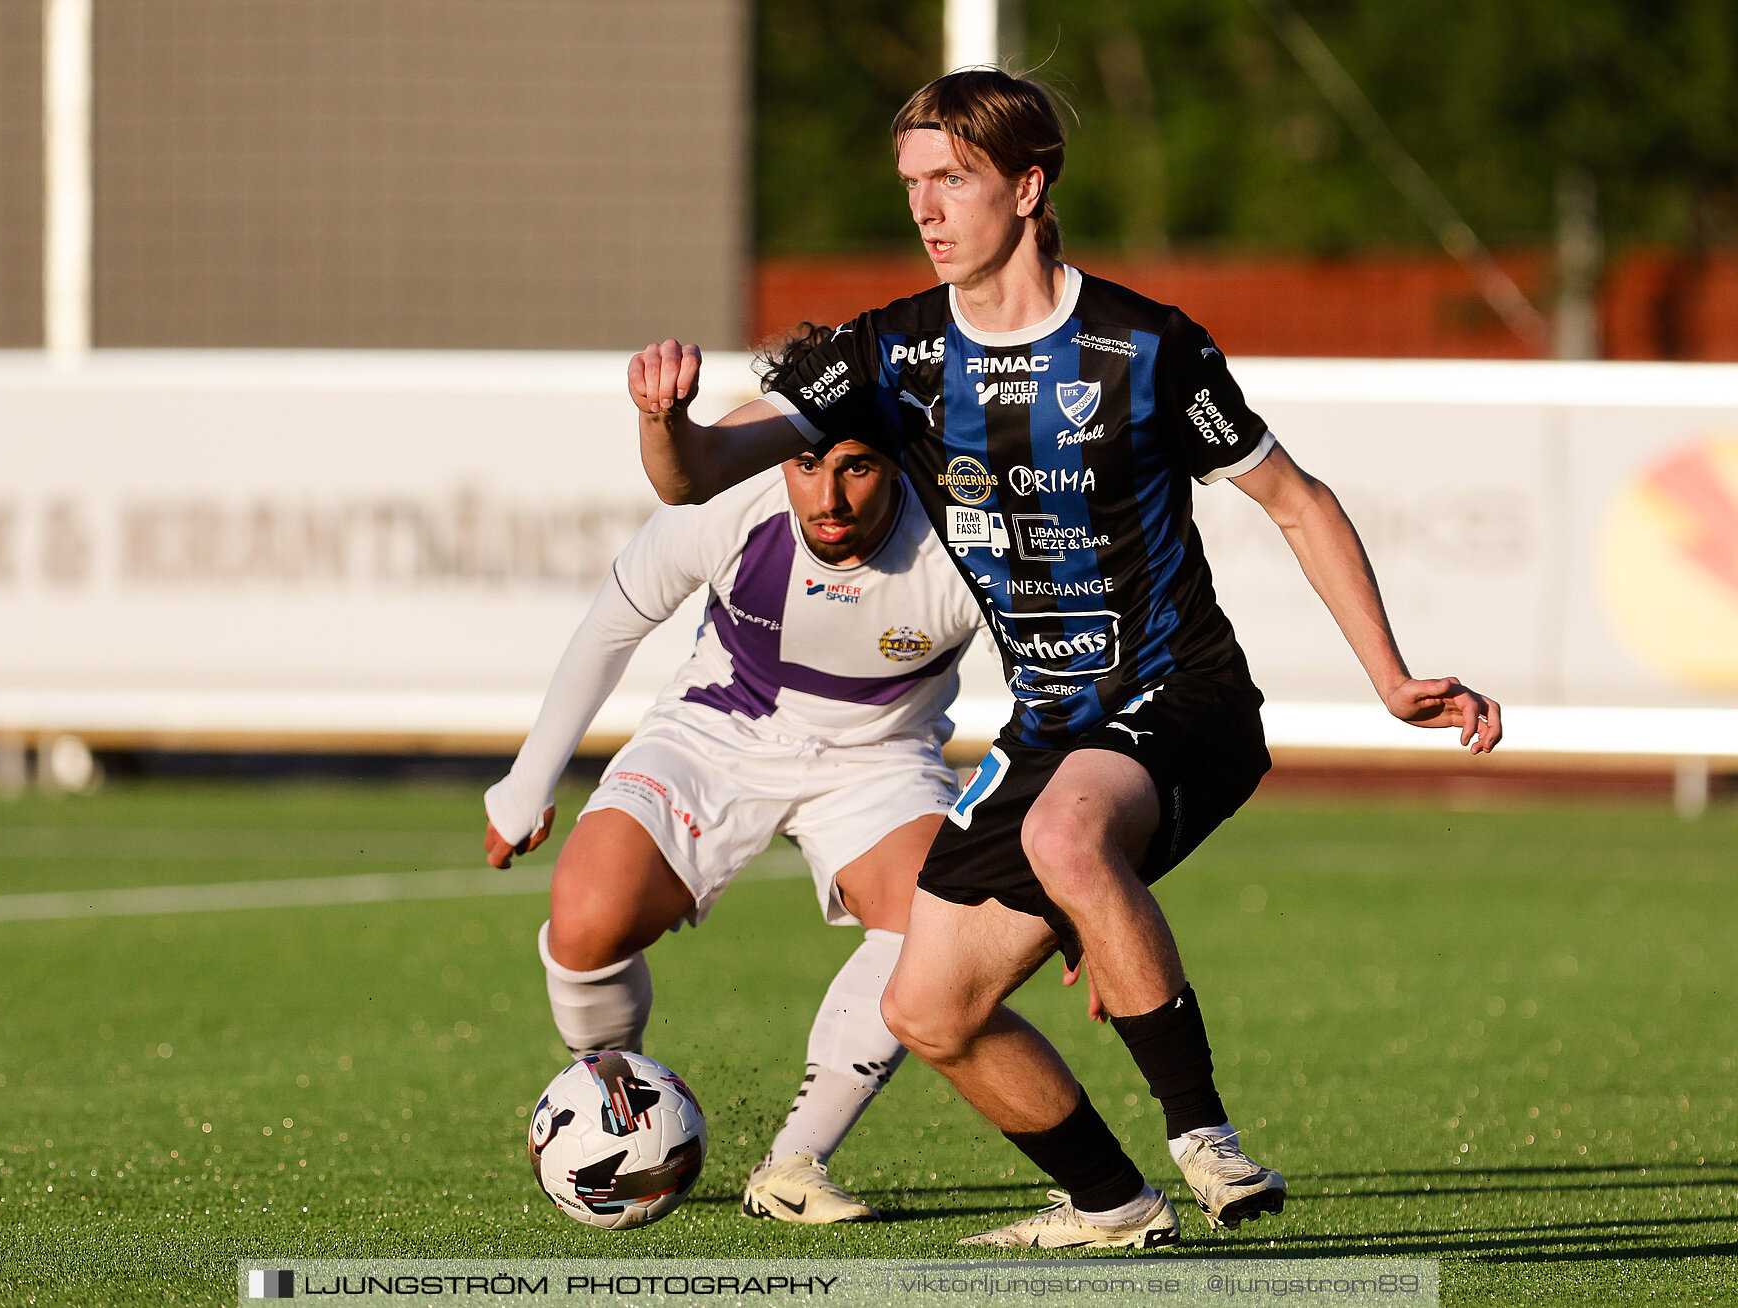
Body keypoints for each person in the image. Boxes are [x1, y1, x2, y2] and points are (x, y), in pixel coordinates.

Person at [625, 68, 1503, 1249]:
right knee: (927, 1009)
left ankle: (1205, 1139)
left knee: (1061, 834)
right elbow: (691, 481)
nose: (926, 210)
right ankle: (1114, 1206)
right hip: (1049, 728)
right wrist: (660, 420)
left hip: (1180, 697)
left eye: (953, 180)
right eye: (912, 185)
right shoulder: (888, 356)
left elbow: (1296, 501)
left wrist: (1390, 680)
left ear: (1028, 186)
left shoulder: (1144, 346)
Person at [484, 326, 984, 1224]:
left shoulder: (968, 536)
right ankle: (618, 1101)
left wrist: (1074, 881)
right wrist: (527, 782)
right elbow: (612, 625)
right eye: (806, 464)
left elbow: (1062, 700)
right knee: (585, 919)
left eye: (859, 469)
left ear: (904, 463)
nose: (826, 498)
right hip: (715, 728)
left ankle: (795, 1165)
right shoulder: (734, 497)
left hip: (879, 754)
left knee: (937, 927)